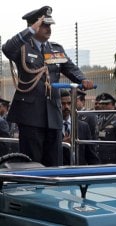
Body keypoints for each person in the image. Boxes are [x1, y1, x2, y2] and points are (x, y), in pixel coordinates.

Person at [1, 6, 94, 166]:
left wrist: (83, 79)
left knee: (54, 162)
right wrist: (30, 30)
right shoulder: (22, 47)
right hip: (30, 115)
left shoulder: (55, 49)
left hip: (53, 114)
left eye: (50, 25)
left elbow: (70, 68)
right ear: (33, 25)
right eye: (44, 25)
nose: (49, 29)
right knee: (31, 163)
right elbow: (7, 49)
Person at [60, 90, 99, 165]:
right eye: (63, 104)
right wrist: (62, 144)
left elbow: (91, 155)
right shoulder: (51, 127)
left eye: (69, 103)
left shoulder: (83, 126)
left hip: (78, 170)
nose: (66, 107)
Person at [96, 93, 116, 164]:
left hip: (112, 160)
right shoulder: (99, 121)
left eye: (106, 104)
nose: (103, 106)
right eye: (102, 104)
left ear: (113, 106)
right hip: (100, 158)